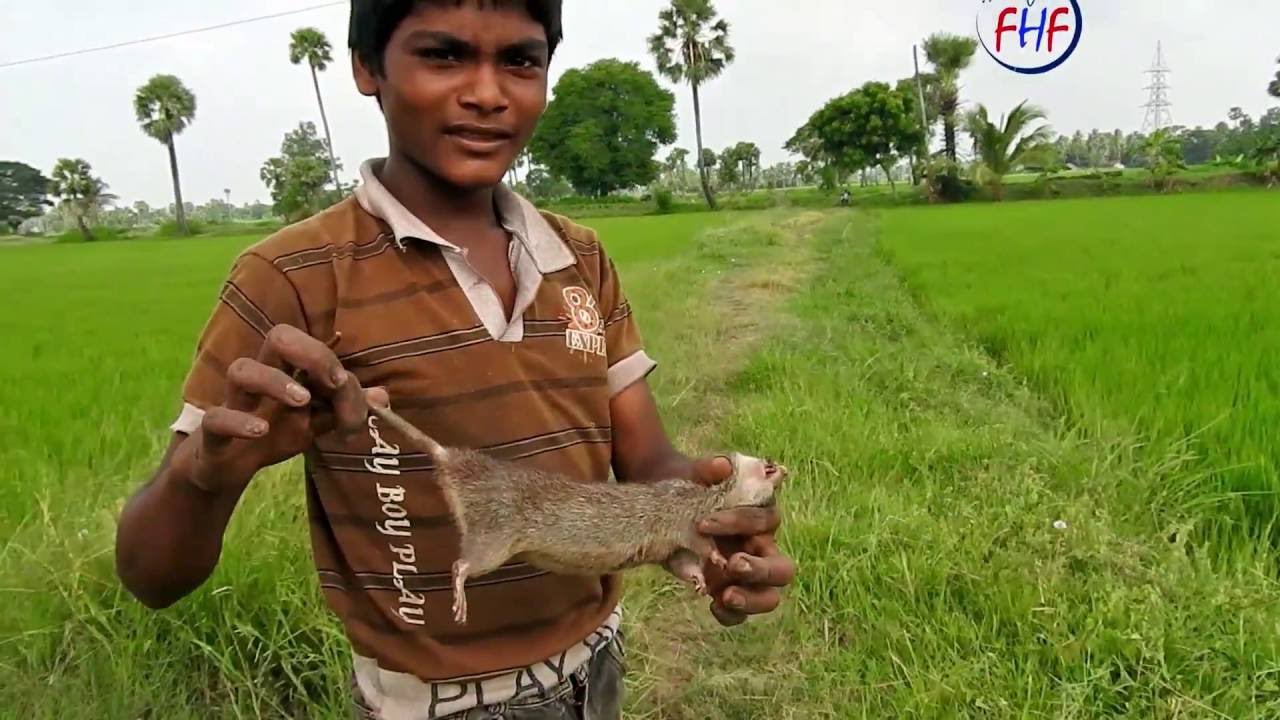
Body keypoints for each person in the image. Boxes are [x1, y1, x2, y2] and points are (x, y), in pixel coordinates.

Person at [113, 2, 795, 719]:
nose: (488, 92)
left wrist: (721, 520)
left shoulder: (581, 258)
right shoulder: (296, 276)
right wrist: (206, 476)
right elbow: (151, 576)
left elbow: (649, 463)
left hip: (595, 670)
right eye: (443, 55)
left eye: (520, 61)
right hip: (432, 705)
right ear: (367, 67)